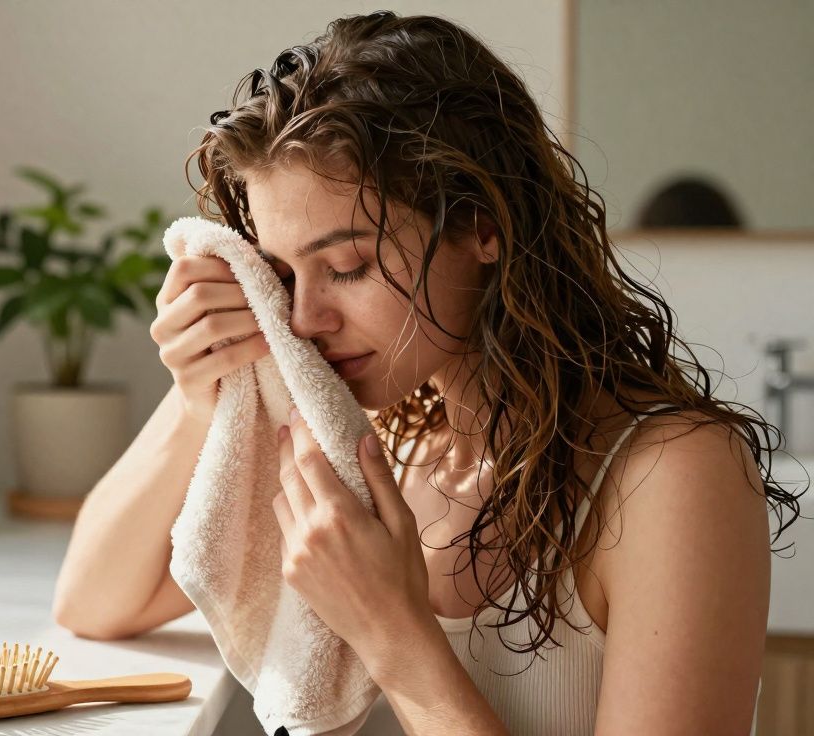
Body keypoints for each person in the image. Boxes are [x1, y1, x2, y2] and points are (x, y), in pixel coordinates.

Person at [52, 11, 803, 735]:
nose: (304, 318)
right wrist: (199, 398)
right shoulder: (378, 437)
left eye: (345, 266)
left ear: (483, 224)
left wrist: (393, 634)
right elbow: (92, 601)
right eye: (280, 274)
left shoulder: (671, 477)